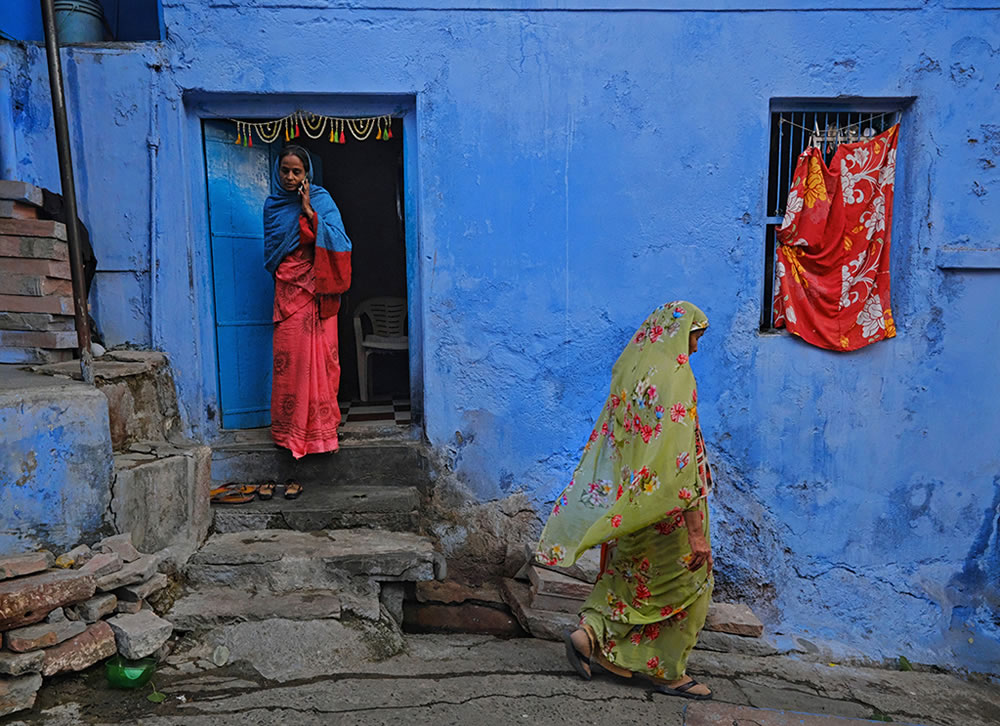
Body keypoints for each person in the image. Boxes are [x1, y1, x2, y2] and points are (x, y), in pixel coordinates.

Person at [535, 301, 715, 700]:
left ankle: (588, 636)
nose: (696, 349)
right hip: (670, 510)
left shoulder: (632, 373)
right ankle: (668, 673)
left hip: (636, 503)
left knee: (629, 580)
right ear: (677, 335)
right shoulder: (675, 377)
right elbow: (678, 460)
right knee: (687, 587)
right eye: (695, 337)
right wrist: (696, 531)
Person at [263, 145, 352, 491]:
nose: (289, 177)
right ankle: (289, 433)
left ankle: (320, 434)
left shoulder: (322, 200)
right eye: (285, 170)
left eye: (297, 172)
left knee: (321, 363)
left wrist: (309, 213)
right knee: (291, 362)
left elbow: (340, 241)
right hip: (288, 295)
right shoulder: (272, 207)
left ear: (307, 174)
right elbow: (272, 253)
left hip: (317, 294)